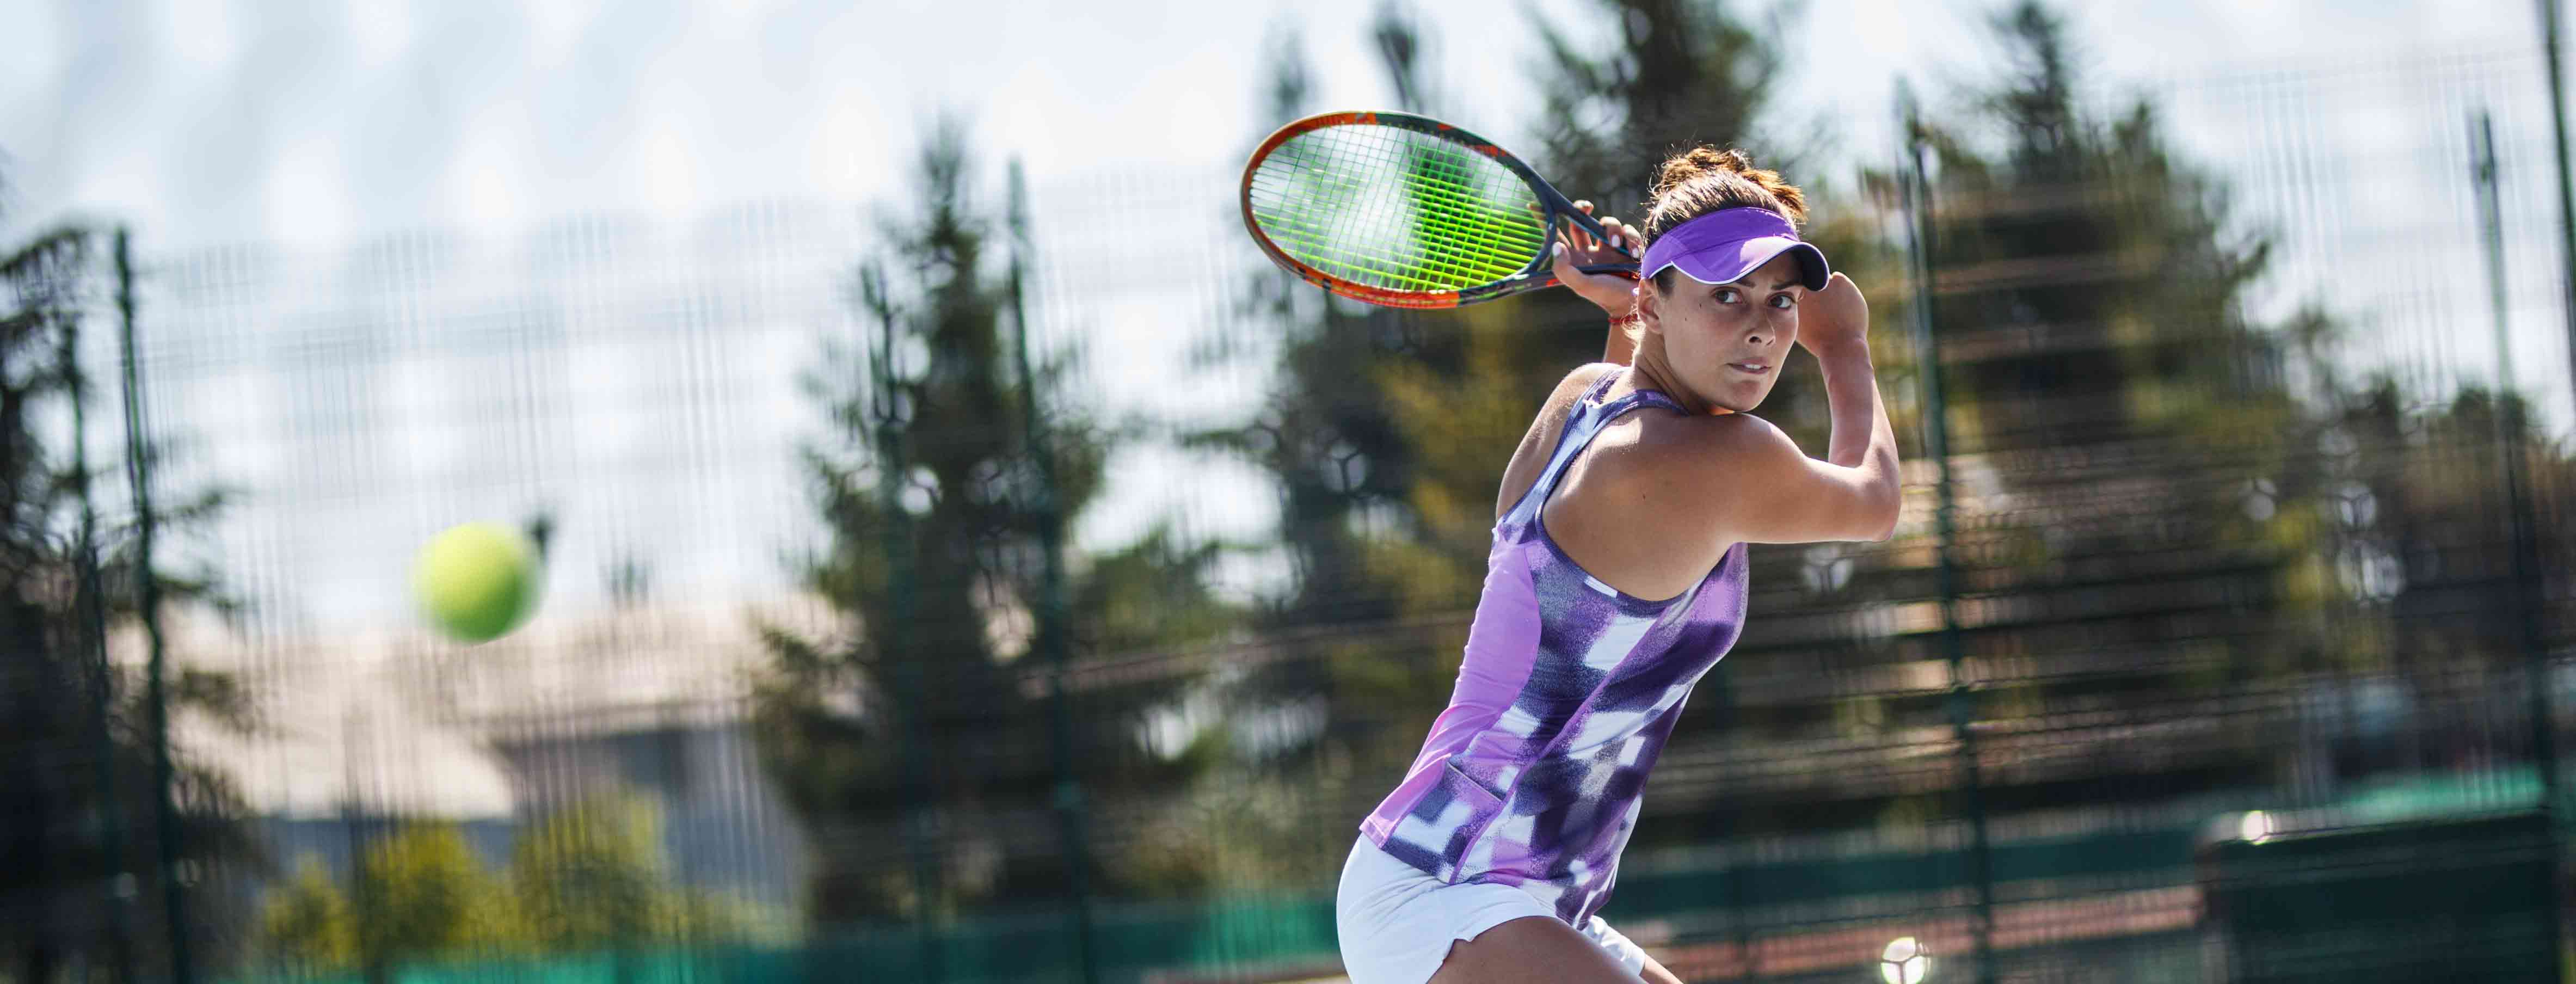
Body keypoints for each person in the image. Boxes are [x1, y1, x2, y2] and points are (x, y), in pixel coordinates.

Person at [1332, 147, 1901, 984]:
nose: (1760, 327)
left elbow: (1616, 445)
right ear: (1654, 295)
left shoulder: (1584, 399)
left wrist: (1637, 317)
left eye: (1781, 300)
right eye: (1724, 296)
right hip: (1447, 885)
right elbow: (1873, 503)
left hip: (1498, 886)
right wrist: (1844, 346)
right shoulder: (1713, 458)